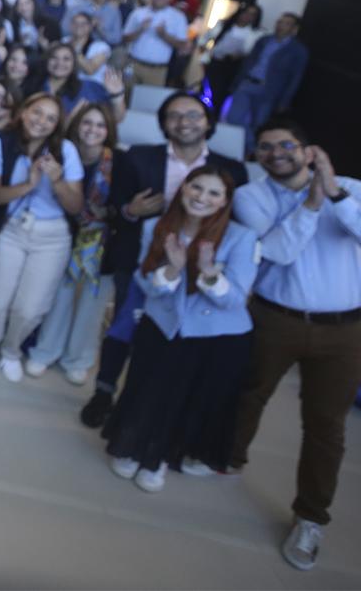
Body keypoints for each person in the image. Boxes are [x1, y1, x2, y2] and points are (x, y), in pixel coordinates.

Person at [230, 118, 361, 572]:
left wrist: (335, 194)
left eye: (287, 144)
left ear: (309, 150)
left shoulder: (350, 187)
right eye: (265, 147)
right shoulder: (251, 196)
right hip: (275, 318)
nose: (276, 153)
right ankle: (226, 457)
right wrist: (313, 200)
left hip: (344, 330)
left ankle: (310, 518)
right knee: (249, 394)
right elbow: (279, 252)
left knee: (326, 426)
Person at [80, 92, 249, 427]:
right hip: (147, 256)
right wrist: (130, 212)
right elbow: (113, 211)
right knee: (125, 326)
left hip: (201, 265)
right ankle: (103, 391)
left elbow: (234, 222)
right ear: (163, 124)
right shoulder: (138, 158)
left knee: (174, 338)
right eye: (174, 115)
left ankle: (149, 404)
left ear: (208, 122)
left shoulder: (232, 169)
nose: (184, 121)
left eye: (193, 115)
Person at [102, 166, 256, 493]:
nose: (202, 197)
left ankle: (157, 459)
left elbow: (236, 300)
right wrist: (172, 269)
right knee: (145, 387)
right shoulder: (156, 227)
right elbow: (145, 283)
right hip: (161, 323)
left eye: (214, 193)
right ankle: (130, 446)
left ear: (225, 201)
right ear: (183, 188)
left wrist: (209, 273)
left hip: (212, 335)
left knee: (182, 397)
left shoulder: (241, 237)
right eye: (196, 188)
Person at [0, 93, 85, 382]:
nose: (41, 121)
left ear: (57, 125)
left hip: (53, 236)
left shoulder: (66, 150)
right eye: (37, 113)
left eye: (50, 118)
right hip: (12, 228)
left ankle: (11, 350)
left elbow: (76, 206)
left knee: (31, 307)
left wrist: (56, 181)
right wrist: (28, 184)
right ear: (23, 112)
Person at [26, 102, 123, 383]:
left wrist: (102, 216)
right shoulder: (60, 154)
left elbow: (122, 205)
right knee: (58, 297)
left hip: (103, 241)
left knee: (92, 305)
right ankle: (45, 351)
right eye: (87, 123)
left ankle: (78, 358)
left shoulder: (119, 162)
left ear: (109, 130)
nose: (93, 130)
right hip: (61, 234)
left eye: (100, 125)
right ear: (76, 125)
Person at [224, 12, 309, 152]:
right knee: (233, 118)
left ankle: (250, 152)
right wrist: (236, 83)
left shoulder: (298, 51)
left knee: (259, 124)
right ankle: (249, 148)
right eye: (279, 22)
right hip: (248, 82)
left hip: (268, 90)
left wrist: (285, 101)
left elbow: (295, 78)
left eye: (286, 23)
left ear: (294, 29)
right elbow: (248, 62)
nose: (281, 26)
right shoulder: (264, 40)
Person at [23, 42, 126, 121]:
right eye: (54, 58)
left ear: (74, 64)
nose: (60, 63)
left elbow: (116, 118)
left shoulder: (88, 87)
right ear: (46, 61)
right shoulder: (33, 84)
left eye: (66, 59)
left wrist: (117, 96)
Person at [122, 0, 188, 87]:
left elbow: (182, 45)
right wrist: (140, 29)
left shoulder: (178, 17)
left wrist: (164, 35)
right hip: (133, 65)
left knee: (148, 102)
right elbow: (125, 38)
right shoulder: (138, 13)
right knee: (124, 97)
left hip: (157, 70)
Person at [203, 2, 263, 108]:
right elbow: (205, 39)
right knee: (207, 90)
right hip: (216, 62)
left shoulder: (254, 34)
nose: (247, 16)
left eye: (252, 15)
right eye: (246, 13)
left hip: (233, 67)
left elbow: (251, 53)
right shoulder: (224, 25)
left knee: (220, 94)